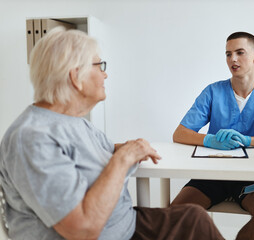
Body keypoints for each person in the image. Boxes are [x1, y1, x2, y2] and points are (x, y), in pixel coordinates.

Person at [0, 27, 225, 240]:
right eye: (100, 66)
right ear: (75, 77)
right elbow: (82, 230)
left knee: (194, 218)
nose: (105, 75)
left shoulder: (74, 122)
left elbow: (102, 149)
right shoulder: (31, 138)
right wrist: (125, 157)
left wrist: (130, 147)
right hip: (103, 234)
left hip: (123, 224)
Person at [171, 32, 254, 240]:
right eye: (228, 54)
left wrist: (250, 141)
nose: (233, 59)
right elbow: (180, 133)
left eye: (240, 53)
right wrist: (208, 140)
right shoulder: (213, 92)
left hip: (252, 176)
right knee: (176, 214)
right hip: (212, 174)